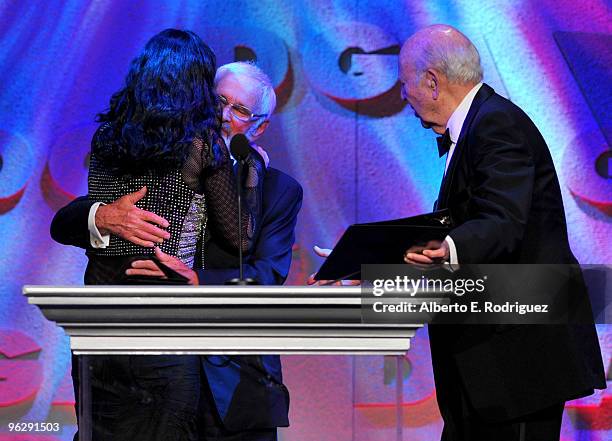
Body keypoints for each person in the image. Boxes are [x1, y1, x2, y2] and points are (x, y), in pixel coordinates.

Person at [51, 61, 302, 441]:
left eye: (240, 110)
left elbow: (267, 276)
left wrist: (198, 280)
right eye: (217, 101)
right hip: (144, 375)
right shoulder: (160, 163)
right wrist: (102, 216)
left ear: (259, 127)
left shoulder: (278, 190)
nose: (223, 115)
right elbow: (64, 222)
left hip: (231, 384)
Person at [397, 25, 606, 441]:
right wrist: (366, 258)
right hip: (489, 366)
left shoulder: (496, 125)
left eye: (405, 85)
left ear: (432, 82)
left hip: (519, 365)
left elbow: (502, 221)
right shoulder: (479, 125)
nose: (404, 96)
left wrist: (449, 247)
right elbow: (461, 224)